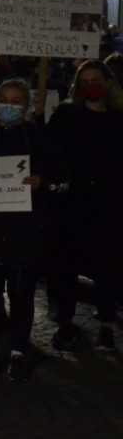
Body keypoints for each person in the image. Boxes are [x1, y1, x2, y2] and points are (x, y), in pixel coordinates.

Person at [0, 78, 68, 381]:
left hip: (25, 233)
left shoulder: (40, 138)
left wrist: (42, 182)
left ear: (27, 105)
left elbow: (62, 180)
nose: (9, 106)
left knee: (22, 295)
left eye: (16, 100)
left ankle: (19, 350)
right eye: (3, 99)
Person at [47, 60, 123, 352]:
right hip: (71, 204)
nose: (92, 86)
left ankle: (105, 324)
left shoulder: (118, 119)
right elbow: (52, 153)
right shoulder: (66, 116)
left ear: (108, 83)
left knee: (107, 266)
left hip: (108, 206)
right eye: (85, 81)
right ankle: (65, 323)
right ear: (78, 87)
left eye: (96, 80)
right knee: (65, 265)